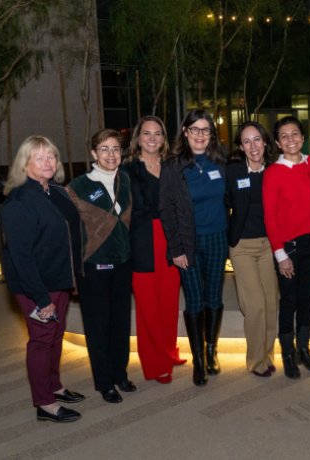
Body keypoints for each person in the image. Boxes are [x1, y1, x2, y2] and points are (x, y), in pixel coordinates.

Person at [1, 135, 84, 422]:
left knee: (56, 336)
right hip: (36, 286)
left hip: (58, 278)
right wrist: (41, 298)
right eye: (39, 157)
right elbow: (21, 257)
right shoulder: (20, 200)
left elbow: (69, 235)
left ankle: (55, 385)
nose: (48, 162)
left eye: (51, 156)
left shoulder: (55, 191)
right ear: (25, 164)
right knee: (41, 340)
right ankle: (45, 404)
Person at [160, 110, 228, 386]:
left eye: (206, 130)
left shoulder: (220, 162)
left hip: (217, 238)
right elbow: (167, 210)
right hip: (187, 243)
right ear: (185, 132)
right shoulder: (173, 166)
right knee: (194, 300)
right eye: (195, 129)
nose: (200, 135)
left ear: (211, 135)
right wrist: (176, 248)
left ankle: (211, 351)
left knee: (213, 297)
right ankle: (198, 360)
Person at [67, 129, 135, 404]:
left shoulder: (125, 180)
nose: (111, 154)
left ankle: (119, 372)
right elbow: (70, 232)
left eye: (116, 149)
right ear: (94, 153)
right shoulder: (78, 187)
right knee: (98, 325)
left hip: (122, 262)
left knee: (120, 322)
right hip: (94, 265)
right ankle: (104, 381)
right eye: (104, 149)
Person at [123, 116, 186, 385]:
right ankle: (154, 363)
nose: (152, 138)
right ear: (138, 138)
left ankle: (168, 352)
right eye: (146, 133)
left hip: (170, 238)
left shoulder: (173, 166)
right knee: (148, 306)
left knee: (169, 302)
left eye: (157, 133)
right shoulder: (127, 170)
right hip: (142, 241)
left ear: (164, 139)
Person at [262, 116, 310, 379]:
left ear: (303, 137)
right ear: (277, 142)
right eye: (284, 136)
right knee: (289, 301)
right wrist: (280, 255)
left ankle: (303, 349)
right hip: (288, 248)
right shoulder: (273, 173)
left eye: (295, 133)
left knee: (307, 299)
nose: (290, 139)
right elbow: (269, 217)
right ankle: (287, 352)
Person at [225, 121, 278, 377]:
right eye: (247, 141)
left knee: (269, 303)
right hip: (243, 246)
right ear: (240, 147)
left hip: (269, 245)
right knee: (255, 304)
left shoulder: (275, 171)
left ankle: (267, 355)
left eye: (257, 139)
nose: (253, 146)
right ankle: (256, 361)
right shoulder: (233, 171)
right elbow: (222, 203)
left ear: (265, 142)